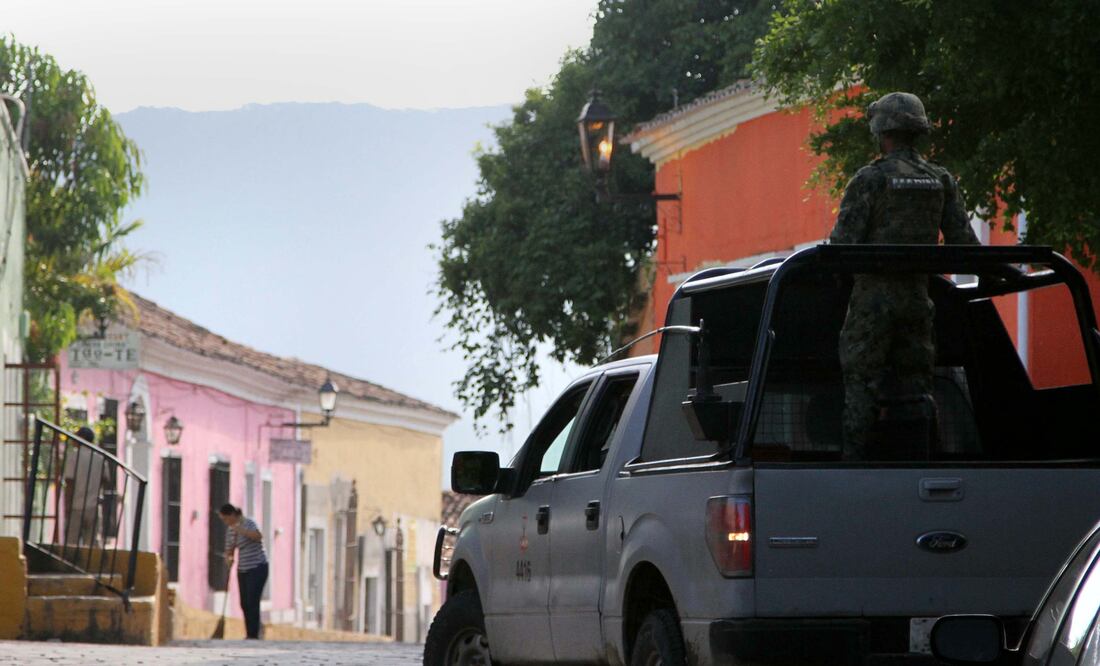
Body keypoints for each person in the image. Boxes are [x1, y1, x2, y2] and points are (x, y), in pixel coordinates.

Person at [829, 91, 980, 460]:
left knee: (861, 384)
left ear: (881, 132)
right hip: (917, 300)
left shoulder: (870, 179)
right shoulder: (941, 180)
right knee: (917, 387)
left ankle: (853, 467)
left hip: (872, 302)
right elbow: (965, 243)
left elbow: (842, 246)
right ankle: (919, 461)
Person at [219, 503, 268, 639]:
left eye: (226, 519)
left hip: (258, 567)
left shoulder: (249, 523)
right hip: (243, 569)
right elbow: (229, 549)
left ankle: (253, 633)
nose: (225, 522)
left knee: (253, 599)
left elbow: (258, 536)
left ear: (232, 515)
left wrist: (241, 530)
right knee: (244, 602)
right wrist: (228, 558)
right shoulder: (230, 531)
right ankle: (250, 631)